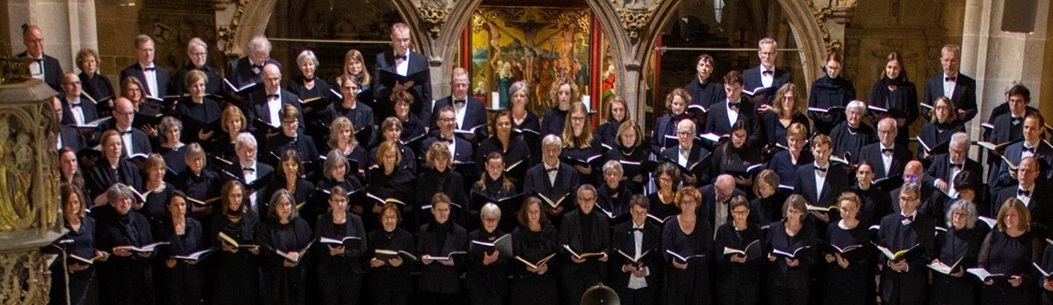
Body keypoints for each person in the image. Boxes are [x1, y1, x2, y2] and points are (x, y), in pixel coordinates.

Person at [93, 184, 156, 305]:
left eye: (127, 199)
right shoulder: (104, 224)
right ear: (112, 203)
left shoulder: (141, 219)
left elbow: (151, 244)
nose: (125, 202)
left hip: (142, 277)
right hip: (119, 280)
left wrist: (150, 253)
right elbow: (102, 251)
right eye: (120, 200)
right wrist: (114, 252)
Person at [877, 183, 935, 305]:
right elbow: (879, 251)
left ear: (917, 202)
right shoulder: (887, 221)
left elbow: (928, 255)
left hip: (913, 287)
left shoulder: (927, 224)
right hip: (890, 285)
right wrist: (889, 262)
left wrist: (908, 266)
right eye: (902, 198)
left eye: (909, 199)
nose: (905, 202)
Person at [978, 198, 1041, 305]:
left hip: (1016, 295)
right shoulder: (993, 235)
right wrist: (985, 277)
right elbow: (982, 261)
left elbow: (1035, 270)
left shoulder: (1031, 240)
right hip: (992, 293)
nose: (1008, 218)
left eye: (1013, 215)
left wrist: (1022, 279)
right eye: (1006, 215)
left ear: (1021, 216)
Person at [313, 186, 368, 305]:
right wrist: (330, 252)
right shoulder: (322, 219)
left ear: (347, 202)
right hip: (328, 272)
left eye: (342, 200)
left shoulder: (356, 220)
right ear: (330, 202)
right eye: (336, 200)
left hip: (351, 271)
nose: (339, 204)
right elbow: (317, 246)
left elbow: (363, 247)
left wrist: (345, 252)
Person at [256, 190, 313, 305]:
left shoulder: (301, 224)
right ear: (274, 206)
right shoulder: (266, 228)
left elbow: (309, 247)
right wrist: (282, 263)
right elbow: (264, 253)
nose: (285, 207)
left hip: (297, 277)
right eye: (281, 204)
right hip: (276, 281)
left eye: (288, 204)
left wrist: (298, 255)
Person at [209, 180, 262, 305]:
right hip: (227, 272)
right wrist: (223, 247)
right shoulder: (218, 219)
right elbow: (213, 246)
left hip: (248, 270)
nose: (236, 199)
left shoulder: (252, 217)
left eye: (239, 195)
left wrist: (257, 250)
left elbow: (260, 241)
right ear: (226, 197)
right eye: (232, 196)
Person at [50, 185, 103, 305]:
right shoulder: (57, 227)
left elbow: (92, 245)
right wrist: (67, 267)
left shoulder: (89, 222)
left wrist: (97, 253)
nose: (73, 206)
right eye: (69, 203)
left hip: (88, 276)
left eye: (76, 202)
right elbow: (51, 255)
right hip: (68, 280)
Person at [559, 185, 610, 305]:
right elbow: (561, 245)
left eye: (589, 199)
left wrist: (605, 253)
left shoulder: (602, 219)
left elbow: (607, 245)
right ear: (578, 199)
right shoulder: (568, 218)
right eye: (583, 199)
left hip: (595, 272)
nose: (586, 203)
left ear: (595, 200)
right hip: (574, 273)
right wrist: (571, 256)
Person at [661, 187, 712, 305]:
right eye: (684, 202)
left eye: (691, 201)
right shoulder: (670, 224)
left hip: (698, 277)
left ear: (696, 204)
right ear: (679, 204)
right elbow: (664, 250)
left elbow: (709, 251)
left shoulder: (704, 224)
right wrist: (672, 261)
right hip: (676, 277)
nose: (688, 205)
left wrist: (696, 260)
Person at [417, 193, 469, 305]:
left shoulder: (460, 232)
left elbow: (465, 259)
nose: (443, 213)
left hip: (450, 285)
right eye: (439, 210)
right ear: (433, 210)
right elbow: (418, 254)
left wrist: (453, 262)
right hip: (429, 284)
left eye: (445, 210)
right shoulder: (424, 230)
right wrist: (422, 259)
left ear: (450, 210)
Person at [154, 192, 205, 305]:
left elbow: (201, 249)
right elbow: (158, 253)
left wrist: (198, 259)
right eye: (176, 205)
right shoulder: (162, 228)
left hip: (193, 278)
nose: (180, 208)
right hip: (173, 280)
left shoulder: (196, 225)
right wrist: (166, 262)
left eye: (183, 204)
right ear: (169, 207)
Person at [930, 200, 985, 305]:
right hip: (941, 290)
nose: (958, 217)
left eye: (962, 215)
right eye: (956, 213)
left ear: (969, 218)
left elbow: (976, 264)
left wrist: (964, 273)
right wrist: (935, 262)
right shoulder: (943, 235)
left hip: (962, 290)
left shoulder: (975, 239)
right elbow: (934, 256)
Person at [610, 195, 663, 305]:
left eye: (643, 212)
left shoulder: (655, 231)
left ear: (647, 212)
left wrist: (646, 270)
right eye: (636, 212)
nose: (639, 216)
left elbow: (658, 259)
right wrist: (625, 267)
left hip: (647, 286)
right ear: (630, 211)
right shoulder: (620, 230)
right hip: (625, 284)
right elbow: (613, 257)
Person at [374, 23, 432, 122]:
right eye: (398, 40)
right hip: (389, 118)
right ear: (392, 38)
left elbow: (427, 95)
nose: (402, 44)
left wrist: (425, 123)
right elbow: (376, 92)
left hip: (415, 118)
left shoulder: (421, 60)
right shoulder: (382, 59)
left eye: (406, 40)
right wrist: (393, 90)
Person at [821, 192, 871, 305]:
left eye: (851, 209)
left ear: (857, 209)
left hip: (854, 281)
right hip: (834, 279)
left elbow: (866, 257)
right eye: (844, 209)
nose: (847, 213)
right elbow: (827, 249)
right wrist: (827, 257)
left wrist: (850, 265)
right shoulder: (832, 227)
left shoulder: (863, 229)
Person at [509, 197, 560, 305]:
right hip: (524, 282)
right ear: (525, 212)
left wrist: (547, 267)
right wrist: (525, 267)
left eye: (536, 211)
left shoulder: (550, 229)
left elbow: (557, 254)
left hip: (546, 282)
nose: (533, 215)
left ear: (541, 212)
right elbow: (513, 257)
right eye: (530, 211)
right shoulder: (518, 232)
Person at [713, 195, 763, 305]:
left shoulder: (756, 230)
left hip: (749, 281)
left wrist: (750, 258)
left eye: (743, 212)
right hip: (728, 281)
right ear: (732, 212)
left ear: (748, 212)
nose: (740, 215)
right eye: (737, 212)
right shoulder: (723, 230)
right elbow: (717, 257)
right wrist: (730, 259)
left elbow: (761, 257)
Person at [522, 135, 580, 225]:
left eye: (554, 150)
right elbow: (527, 197)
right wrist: (543, 208)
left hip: (565, 222)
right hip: (540, 222)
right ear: (543, 150)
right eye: (548, 150)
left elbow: (575, 198)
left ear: (560, 151)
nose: (551, 154)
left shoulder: (572, 172)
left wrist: (563, 207)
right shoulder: (532, 173)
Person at [793, 134, 850, 223]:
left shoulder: (840, 174)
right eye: (818, 151)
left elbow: (844, 200)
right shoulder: (802, 171)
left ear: (830, 151)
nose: (821, 155)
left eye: (824, 151)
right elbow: (796, 197)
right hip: (806, 222)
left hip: (829, 224)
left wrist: (830, 218)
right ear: (812, 150)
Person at [367, 203, 417, 305]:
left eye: (392, 217)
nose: (389, 221)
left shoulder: (407, 237)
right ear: (381, 218)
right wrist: (371, 263)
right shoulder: (372, 237)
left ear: (397, 219)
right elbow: (364, 260)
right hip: (379, 287)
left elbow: (413, 263)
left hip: (400, 287)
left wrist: (402, 263)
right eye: (386, 217)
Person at [867, 52, 918, 147]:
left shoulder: (909, 88)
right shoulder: (877, 86)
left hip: (900, 135)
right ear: (885, 68)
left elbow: (914, 112)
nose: (892, 71)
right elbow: (870, 111)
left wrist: (904, 121)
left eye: (895, 68)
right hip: (879, 136)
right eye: (889, 67)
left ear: (900, 69)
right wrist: (879, 120)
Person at [994, 157, 1053, 237]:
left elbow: (1048, 225)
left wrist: (1025, 225)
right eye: (1021, 170)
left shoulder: (1046, 196)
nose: (1024, 174)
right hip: (1007, 240)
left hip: (1032, 242)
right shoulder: (1003, 194)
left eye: (1028, 171)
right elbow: (997, 220)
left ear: (1036, 174)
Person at [465, 203, 511, 305]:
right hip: (477, 286)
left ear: (498, 220)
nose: (490, 223)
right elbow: (468, 261)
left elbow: (507, 264)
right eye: (487, 219)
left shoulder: (504, 237)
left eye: (494, 219)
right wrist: (484, 263)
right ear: (482, 218)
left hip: (497, 286)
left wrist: (493, 261)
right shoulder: (473, 236)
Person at [706, 71, 764, 149]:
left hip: (744, 155)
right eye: (728, 89)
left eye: (735, 89)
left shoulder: (751, 109)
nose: (731, 94)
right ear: (724, 86)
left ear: (742, 88)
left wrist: (741, 140)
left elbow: (757, 136)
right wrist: (718, 142)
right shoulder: (714, 109)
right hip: (721, 155)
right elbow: (708, 136)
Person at [245, 63, 304, 139]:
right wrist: (264, 136)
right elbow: (251, 125)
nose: (273, 83)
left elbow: (301, 126)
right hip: (265, 145)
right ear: (263, 78)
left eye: (275, 79)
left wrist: (289, 135)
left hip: (288, 145)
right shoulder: (254, 98)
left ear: (280, 77)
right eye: (269, 79)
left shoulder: (292, 98)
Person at [367, 141, 417, 228]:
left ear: (396, 158)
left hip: (401, 221)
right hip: (378, 220)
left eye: (392, 156)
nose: (389, 160)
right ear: (381, 157)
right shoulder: (374, 175)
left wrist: (396, 210)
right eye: (386, 156)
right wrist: (373, 207)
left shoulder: (406, 177)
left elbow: (411, 205)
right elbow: (369, 198)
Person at [417, 141, 468, 227]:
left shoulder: (457, 178)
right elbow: (419, 205)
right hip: (429, 224)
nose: (441, 163)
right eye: (438, 159)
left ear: (448, 159)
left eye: (444, 159)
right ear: (432, 160)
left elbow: (461, 205)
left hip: (452, 224)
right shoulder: (423, 178)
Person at [922, 44, 977, 123]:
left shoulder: (968, 83)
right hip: (936, 128)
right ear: (941, 60)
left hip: (956, 128)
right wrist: (929, 114)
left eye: (953, 60)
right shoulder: (932, 82)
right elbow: (924, 108)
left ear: (958, 61)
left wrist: (965, 114)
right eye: (946, 60)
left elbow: (973, 109)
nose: (949, 64)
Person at [430, 68, 488, 141]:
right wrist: (445, 134)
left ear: (468, 85)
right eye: (457, 85)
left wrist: (474, 137)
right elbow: (433, 131)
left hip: (471, 149)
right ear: (451, 84)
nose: (461, 88)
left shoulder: (478, 106)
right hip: (446, 148)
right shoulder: (440, 104)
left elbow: (484, 133)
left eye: (463, 85)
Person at [88, 130, 143, 205]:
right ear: (104, 147)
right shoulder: (96, 171)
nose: (116, 147)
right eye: (111, 145)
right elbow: (95, 201)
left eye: (118, 144)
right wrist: (111, 192)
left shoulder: (132, 168)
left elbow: (139, 201)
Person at [223, 132, 275, 211]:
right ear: (237, 151)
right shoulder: (229, 173)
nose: (248, 154)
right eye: (244, 151)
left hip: (264, 219)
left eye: (251, 150)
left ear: (256, 150)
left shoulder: (268, 171)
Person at [924, 132, 982, 202]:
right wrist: (937, 181)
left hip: (961, 205)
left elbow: (978, 192)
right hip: (940, 203)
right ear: (949, 148)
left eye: (961, 152)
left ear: (966, 151)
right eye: (955, 151)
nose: (957, 156)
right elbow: (926, 176)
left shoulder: (975, 168)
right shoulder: (940, 160)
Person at [475, 110, 531, 183]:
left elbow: (529, 169)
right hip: (491, 190)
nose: (504, 127)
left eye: (507, 124)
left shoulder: (521, 145)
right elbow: (478, 170)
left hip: (517, 189)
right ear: (495, 126)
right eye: (500, 124)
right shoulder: (485, 145)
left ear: (511, 125)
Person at [262, 150, 315, 225]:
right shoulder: (274, 187)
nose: (290, 168)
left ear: (298, 166)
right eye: (287, 164)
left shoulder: (308, 187)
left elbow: (312, 212)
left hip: (302, 226)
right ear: (282, 166)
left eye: (293, 165)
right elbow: (271, 211)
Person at [808, 52, 855, 135]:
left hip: (840, 130)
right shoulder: (817, 85)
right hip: (821, 129)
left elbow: (852, 108)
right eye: (830, 67)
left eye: (836, 68)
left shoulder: (847, 86)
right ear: (826, 65)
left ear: (840, 67)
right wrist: (820, 116)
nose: (832, 71)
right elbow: (811, 110)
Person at [710, 121, 762, 191]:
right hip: (723, 189)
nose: (739, 139)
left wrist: (749, 183)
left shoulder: (754, 152)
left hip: (744, 191)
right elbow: (712, 174)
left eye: (742, 136)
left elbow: (758, 177)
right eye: (736, 135)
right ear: (731, 134)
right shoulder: (720, 150)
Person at [562, 102, 604, 185]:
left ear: (586, 120)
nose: (577, 122)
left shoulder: (595, 140)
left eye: (581, 118)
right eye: (574, 118)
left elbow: (599, 169)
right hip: (567, 185)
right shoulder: (561, 140)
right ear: (569, 119)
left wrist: (591, 171)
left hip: (588, 184)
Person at [743, 37, 791, 110]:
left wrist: (773, 110)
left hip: (775, 119)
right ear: (759, 54)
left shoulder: (785, 77)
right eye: (764, 53)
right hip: (753, 119)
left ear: (775, 54)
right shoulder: (747, 75)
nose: (767, 56)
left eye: (770, 53)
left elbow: (788, 104)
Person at [175, 70, 222, 144]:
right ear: (189, 88)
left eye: (201, 85)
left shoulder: (213, 104)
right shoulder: (182, 107)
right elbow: (180, 132)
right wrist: (197, 136)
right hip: (193, 147)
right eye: (195, 86)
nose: (199, 89)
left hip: (214, 145)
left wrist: (213, 132)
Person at [175, 143, 220, 220]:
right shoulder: (181, 179)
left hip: (213, 218)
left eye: (199, 159)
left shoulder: (213, 177)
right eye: (194, 160)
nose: (197, 163)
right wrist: (197, 209)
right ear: (188, 160)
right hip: (193, 220)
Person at [661, 118, 711, 186]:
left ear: (694, 135)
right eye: (682, 133)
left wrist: (695, 181)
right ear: (677, 134)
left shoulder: (704, 154)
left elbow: (707, 178)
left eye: (689, 133)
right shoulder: (666, 154)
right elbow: (658, 176)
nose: (685, 136)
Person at [120, 35, 170, 101]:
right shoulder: (129, 73)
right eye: (145, 50)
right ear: (137, 51)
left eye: (151, 50)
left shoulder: (164, 73)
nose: (148, 53)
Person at [328, 75, 374, 145]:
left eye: (354, 88)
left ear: (358, 90)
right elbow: (327, 135)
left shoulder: (367, 111)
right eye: (347, 88)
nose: (351, 92)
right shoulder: (332, 109)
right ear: (341, 90)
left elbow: (372, 136)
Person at [917, 97, 965, 162]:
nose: (941, 111)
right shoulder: (927, 128)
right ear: (935, 110)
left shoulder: (957, 128)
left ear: (950, 111)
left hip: (946, 167)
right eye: (938, 107)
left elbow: (961, 151)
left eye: (944, 108)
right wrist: (924, 155)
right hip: (929, 166)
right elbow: (919, 152)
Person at [604, 120, 648, 192]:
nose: (628, 139)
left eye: (631, 136)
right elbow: (604, 176)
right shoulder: (612, 154)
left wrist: (642, 178)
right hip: (616, 192)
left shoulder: (643, 154)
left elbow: (646, 177)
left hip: (635, 193)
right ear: (620, 136)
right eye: (625, 135)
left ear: (636, 137)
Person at [762, 83, 809, 149]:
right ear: (780, 99)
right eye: (784, 98)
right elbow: (763, 141)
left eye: (790, 98)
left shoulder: (802, 120)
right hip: (775, 157)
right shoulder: (770, 118)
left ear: (795, 101)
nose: (786, 102)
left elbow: (806, 143)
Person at [766, 123, 812, 187]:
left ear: (804, 141)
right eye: (792, 139)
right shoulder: (778, 158)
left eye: (798, 140)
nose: (794, 143)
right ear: (787, 138)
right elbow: (769, 180)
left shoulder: (810, 159)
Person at [19, 25, 63, 90]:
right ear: (25, 42)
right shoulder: (17, 62)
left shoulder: (53, 63)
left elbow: (62, 89)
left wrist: (56, 99)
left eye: (40, 40)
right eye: (33, 41)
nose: (38, 44)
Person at [850, 162, 893, 227]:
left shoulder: (881, 196)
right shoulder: (849, 192)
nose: (864, 176)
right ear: (856, 174)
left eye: (867, 173)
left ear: (873, 175)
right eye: (861, 173)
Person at [507, 81, 542, 162]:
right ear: (511, 99)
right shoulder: (505, 117)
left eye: (522, 96)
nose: (519, 98)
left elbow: (537, 146)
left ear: (526, 99)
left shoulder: (533, 119)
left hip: (529, 160)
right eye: (515, 96)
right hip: (509, 160)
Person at [76, 48, 116, 115]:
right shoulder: (77, 82)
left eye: (92, 61)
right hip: (89, 115)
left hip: (106, 115)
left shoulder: (104, 80)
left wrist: (111, 103)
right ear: (81, 64)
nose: (90, 64)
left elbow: (113, 98)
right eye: (86, 61)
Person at [653, 88, 693, 154]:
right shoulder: (660, 121)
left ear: (685, 105)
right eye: (675, 103)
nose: (678, 107)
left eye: (681, 104)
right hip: (664, 160)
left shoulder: (691, 122)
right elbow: (653, 144)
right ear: (670, 103)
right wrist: (660, 150)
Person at [139, 154, 176, 227]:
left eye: (162, 169)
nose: (159, 172)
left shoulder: (170, 189)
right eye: (155, 169)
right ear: (148, 171)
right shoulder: (141, 187)